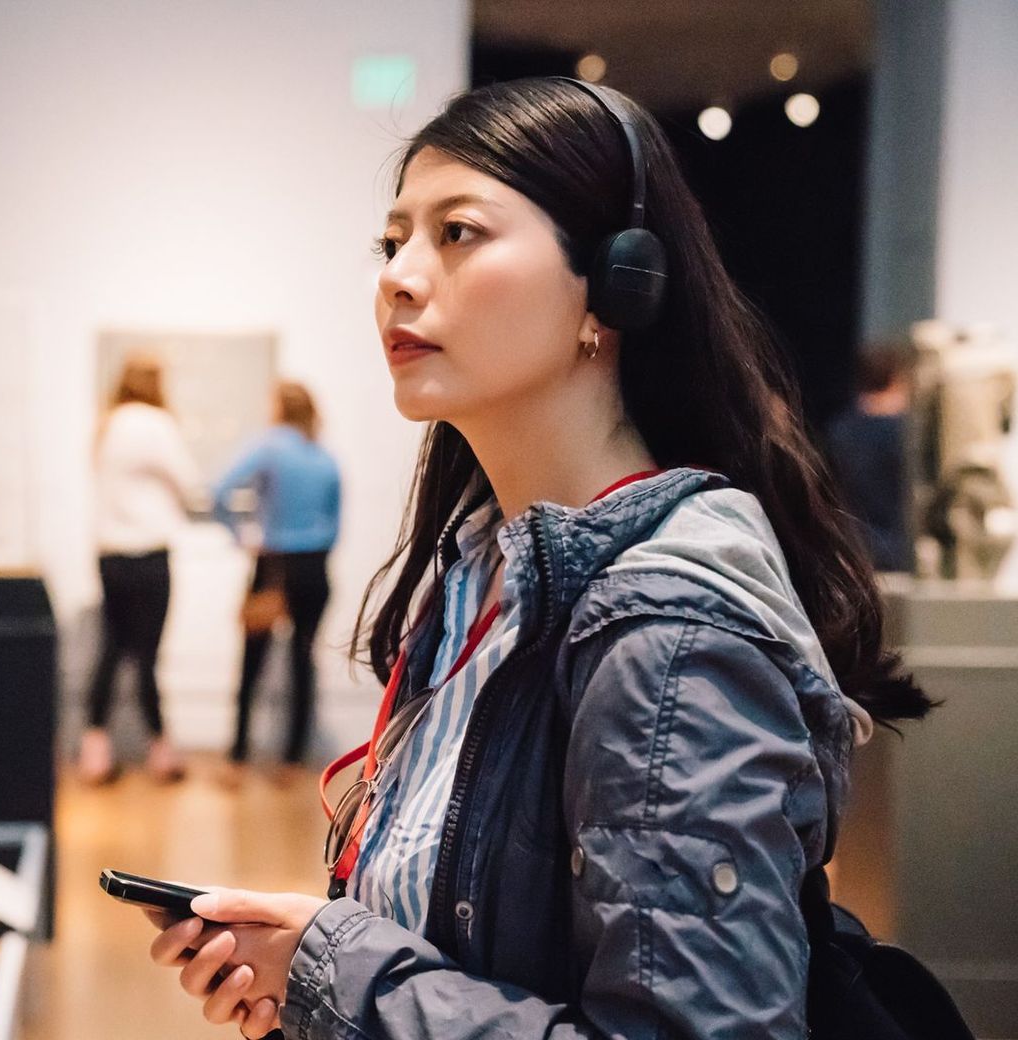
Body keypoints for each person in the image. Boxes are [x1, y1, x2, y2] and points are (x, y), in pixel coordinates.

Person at [141, 77, 932, 1039]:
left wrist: (338, 976)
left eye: (458, 233)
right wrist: (306, 973)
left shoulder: (668, 631)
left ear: (615, 285)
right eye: (394, 242)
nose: (398, 276)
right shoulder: (483, 565)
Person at [79, 354, 200, 785]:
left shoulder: (106, 424)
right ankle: (161, 749)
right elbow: (188, 481)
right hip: (149, 553)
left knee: (111, 648)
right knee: (147, 653)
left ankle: (94, 748)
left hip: (109, 554)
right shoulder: (156, 424)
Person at [212, 382, 342, 774]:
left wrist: (241, 533)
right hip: (315, 566)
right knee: (303, 659)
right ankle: (292, 758)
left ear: (280, 408)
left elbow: (219, 491)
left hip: (274, 567)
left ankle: (238, 755)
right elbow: (335, 523)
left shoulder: (268, 446)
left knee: (252, 659)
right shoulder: (325, 457)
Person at [823, 343, 916, 572]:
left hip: (851, 545)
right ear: (896, 378)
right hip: (899, 548)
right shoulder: (904, 433)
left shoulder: (839, 429)